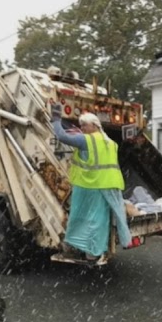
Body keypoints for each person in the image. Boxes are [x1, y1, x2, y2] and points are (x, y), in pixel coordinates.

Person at [50, 103, 136, 264]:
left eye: (84, 125)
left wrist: (56, 119)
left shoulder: (86, 140)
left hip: (90, 185)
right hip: (110, 184)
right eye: (80, 125)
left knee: (81, 218)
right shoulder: (110, 142)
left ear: (95, 125)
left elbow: (61, 137)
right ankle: (94, 252)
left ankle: (85, 249)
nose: (82, 128)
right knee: (100, 220)